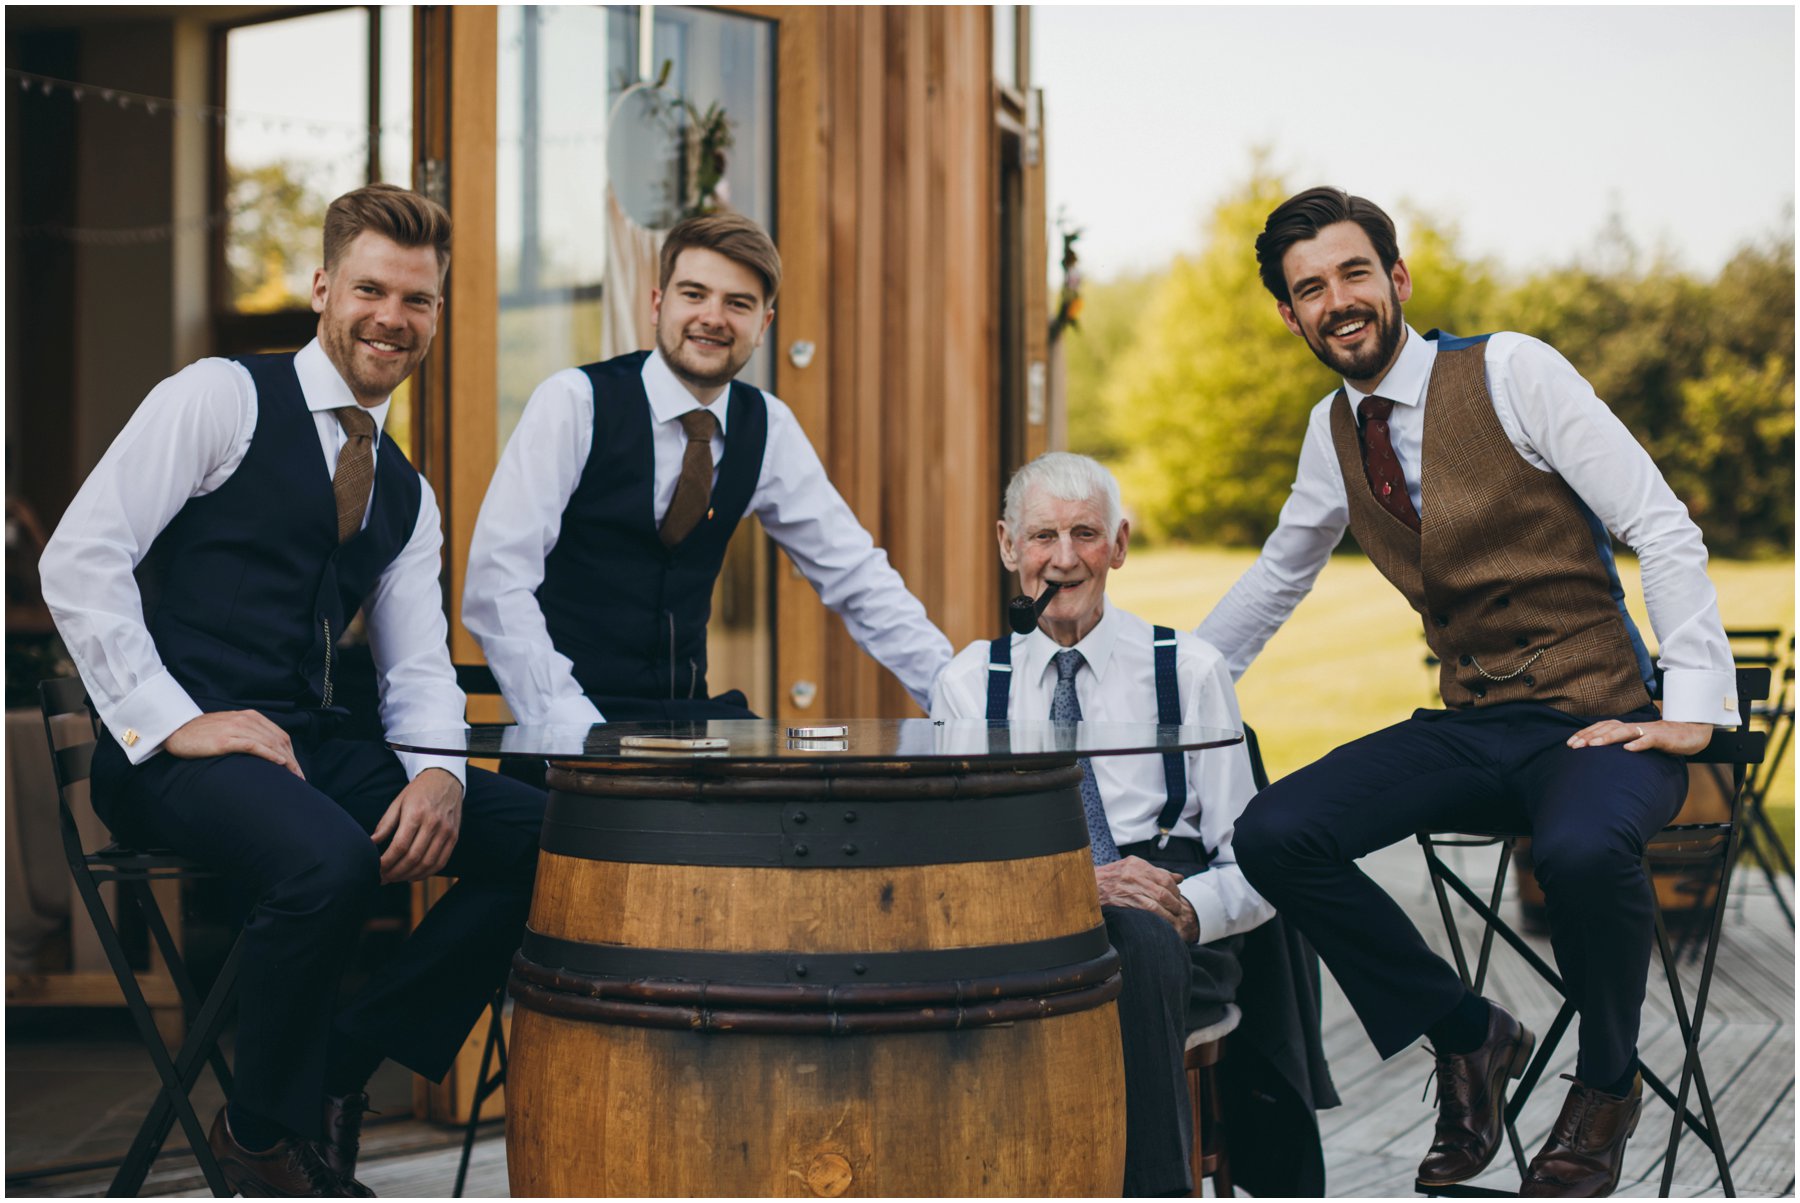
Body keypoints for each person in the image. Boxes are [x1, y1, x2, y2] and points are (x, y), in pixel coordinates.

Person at [1201, 187, 1738, 1197]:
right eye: (1310, 288)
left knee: (1580, 849)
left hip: (1598, 719)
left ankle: (1607, 1086)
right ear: (1290, 315)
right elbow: (1276, 578)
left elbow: (1661, 524)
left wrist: (1691, 709)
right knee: (1277, 833)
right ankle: (1470, 1034)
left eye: (1355, 274)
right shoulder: (1331, 436)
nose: (1338, 300)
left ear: (1397, 280)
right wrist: (1168, 689)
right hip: (1473, 726)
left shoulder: (1513, 371)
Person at [40, 184, 545, 1197]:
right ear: (323, 287)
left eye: (417, 300)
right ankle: (265, 1144)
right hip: (169, 757)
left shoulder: (404, 489)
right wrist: (176, 720)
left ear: (438, 314)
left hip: (309, 747)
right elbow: (80, 557)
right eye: (371, 289)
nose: (392, 319)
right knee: (326, 861)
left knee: (551, 840)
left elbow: (414, 668)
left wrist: (441, 776)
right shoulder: (219, 397)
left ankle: (343, 1060)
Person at [932, 452, 1316, 1197]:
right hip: (1021, 932)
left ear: (1121, 544)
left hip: (1172, 943)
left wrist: (1190, 909)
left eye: (1086, 533)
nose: (1065, 558)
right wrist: (1078, 886)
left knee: (1137, 941)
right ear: (1009, 546)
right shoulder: (969, 683)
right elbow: (946, 863)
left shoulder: (1190, 671)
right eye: (1044, 536)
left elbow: (1258, 862)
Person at [463, 211, 950, 736]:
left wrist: (956, 694)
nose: (712, 317)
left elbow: (856, 578)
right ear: (657, 304)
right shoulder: (573, 403)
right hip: (572, 725)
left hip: (689, 731)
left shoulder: (768, 426)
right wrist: (570, 726)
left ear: (763, 325)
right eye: (694, 294)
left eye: (737, 303)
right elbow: (498, 583)